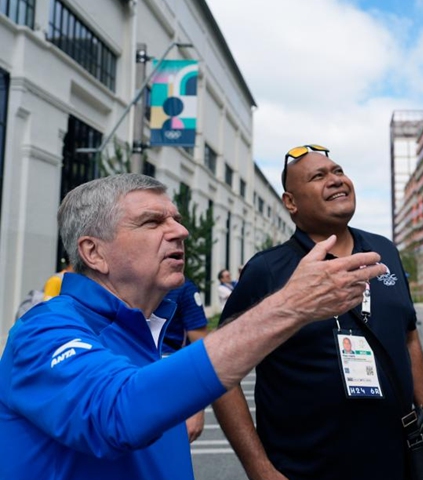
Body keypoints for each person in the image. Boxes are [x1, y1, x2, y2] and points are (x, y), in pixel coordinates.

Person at [0, 173, 385, 480]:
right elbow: (117, 411)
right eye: (152, 222)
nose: (180, 231)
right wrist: (290, 305)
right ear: (93, 252)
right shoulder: (44, 332)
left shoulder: (148, 332)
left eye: (176, 220)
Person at [213, 145, 423, 480]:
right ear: (291, 202)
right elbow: (219, 372)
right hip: (305, 467)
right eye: (318, 176)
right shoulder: (268, 270)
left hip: (397, 461)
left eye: (337, 171)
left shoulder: (384, 251)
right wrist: (259, 468)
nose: (336, 181)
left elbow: (410, 338)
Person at [162, 278, 210, 442]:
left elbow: (202, 349)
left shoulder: (182, 288)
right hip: (128, 383)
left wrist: (197, 408)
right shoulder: (118, 283)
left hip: (171, 380)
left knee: (169, 460)